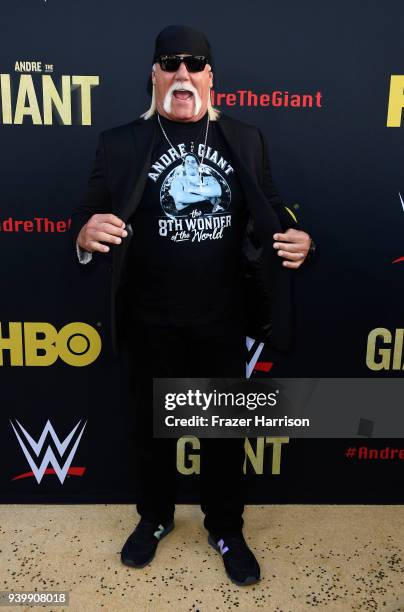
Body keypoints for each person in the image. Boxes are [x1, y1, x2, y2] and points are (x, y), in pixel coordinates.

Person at [70, 25, 314, 587]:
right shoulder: (120, 143)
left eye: (195, 65)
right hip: (147, 318)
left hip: (222, 318)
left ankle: (225, 526)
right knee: (151, 431)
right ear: (154, 76)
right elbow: (84, 213)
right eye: (171, 64)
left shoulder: (244, 139)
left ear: (210, 78)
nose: (183, 73)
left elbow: (274, 209)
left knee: (224, 435)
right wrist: (85, 234)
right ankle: (154, 518)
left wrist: (303, 239)